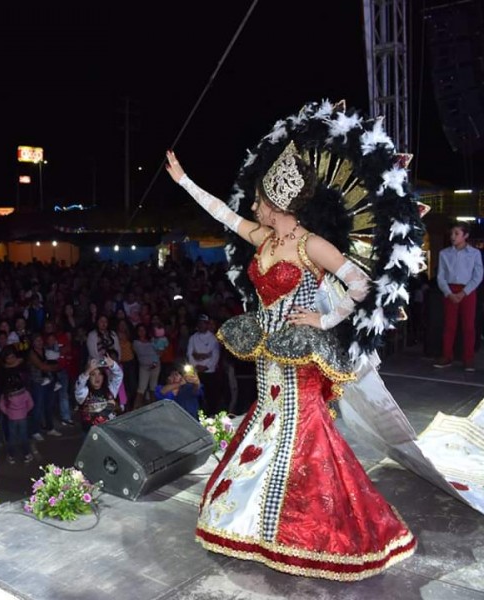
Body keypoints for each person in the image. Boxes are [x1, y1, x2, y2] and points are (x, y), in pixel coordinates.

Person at [166, 145, 415, 579]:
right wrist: (185, 181)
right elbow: (223, 214)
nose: (254, 206)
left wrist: (324, 317)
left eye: (260, 200)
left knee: (302, 430)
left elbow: (360, 284)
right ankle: (257, 519)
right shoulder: (264, 238)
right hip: (267, 350)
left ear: (278, 205)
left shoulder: (311, 245)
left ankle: (298, 524)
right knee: (268, 421)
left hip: (300, 352)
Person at [434, 222, 483, 372]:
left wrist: (464, 292)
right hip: (450, 290)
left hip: (468, 290)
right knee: (449, 325)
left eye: (456, 233)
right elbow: (440, 276)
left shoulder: (474, 253)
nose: (453, 236)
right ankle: (447, 356)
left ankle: (468, 359)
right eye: (451, 234)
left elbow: (478, 275)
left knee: (468, 326)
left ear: (465, 236)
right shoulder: (444, 253)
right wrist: (448, 293)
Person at [0, 347, 34, 464]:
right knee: (24, 437)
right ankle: (27, 454)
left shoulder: (6, 394)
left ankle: (11, 455)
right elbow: (31, 404)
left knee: (12, 438)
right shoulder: (25, 392)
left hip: (11, 418)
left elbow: (1, 405)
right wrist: (25, 411)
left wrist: (7, 412)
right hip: (23, 417)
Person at [74, 356, 123, 432]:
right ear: (88, 377)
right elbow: (79, 385)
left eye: (100, 374)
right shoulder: (83, 393)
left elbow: (119, 375)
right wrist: (87, 371)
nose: (97, 377)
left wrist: (113, 365)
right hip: (92, 435)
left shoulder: (110, 389)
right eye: (93, 374)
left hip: (111, 431)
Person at [186, 315, 221, 414]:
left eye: (203, 323)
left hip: (209, 372)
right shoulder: (193, 338)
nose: (201, 325)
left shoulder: (213, 338)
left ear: (207, 324)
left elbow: (215, 355)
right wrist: (196, 365)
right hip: (196, 371)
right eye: (199, 323)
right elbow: (189, 353)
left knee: (211, 395)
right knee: (197, 394)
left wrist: (206, 366)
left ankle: (211, 414)